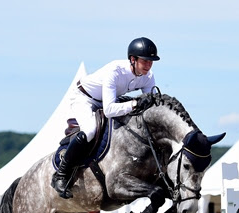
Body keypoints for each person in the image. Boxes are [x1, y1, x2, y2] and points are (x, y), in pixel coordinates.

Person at [51, 37, 160, 199]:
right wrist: (135, 103)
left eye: (151, 61)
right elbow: (109, 110)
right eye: (145, 61)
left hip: (108, 101)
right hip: (85, 99)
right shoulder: (114, 71)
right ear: (132, 59)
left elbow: (152, 104)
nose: (149, 65)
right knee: (90, 131)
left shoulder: (148, 76)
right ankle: (61, 174)